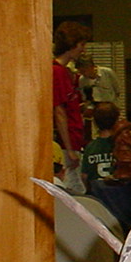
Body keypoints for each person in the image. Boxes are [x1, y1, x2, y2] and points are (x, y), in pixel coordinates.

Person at [53, 21, 91, 195]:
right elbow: (59, 112)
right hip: (67, 143)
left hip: (75, 139)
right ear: (71, 45)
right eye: (81, 45)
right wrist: (68, 149)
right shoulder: (57, 72)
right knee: (74, 192)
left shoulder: (68, 73)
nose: (83, 50)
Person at [81, 101, 119, 188]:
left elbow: (84, 176)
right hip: (119, 195)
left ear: (95, 122)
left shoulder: (90, 148)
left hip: (97, 196)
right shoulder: (123, 146)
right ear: (116, 120)